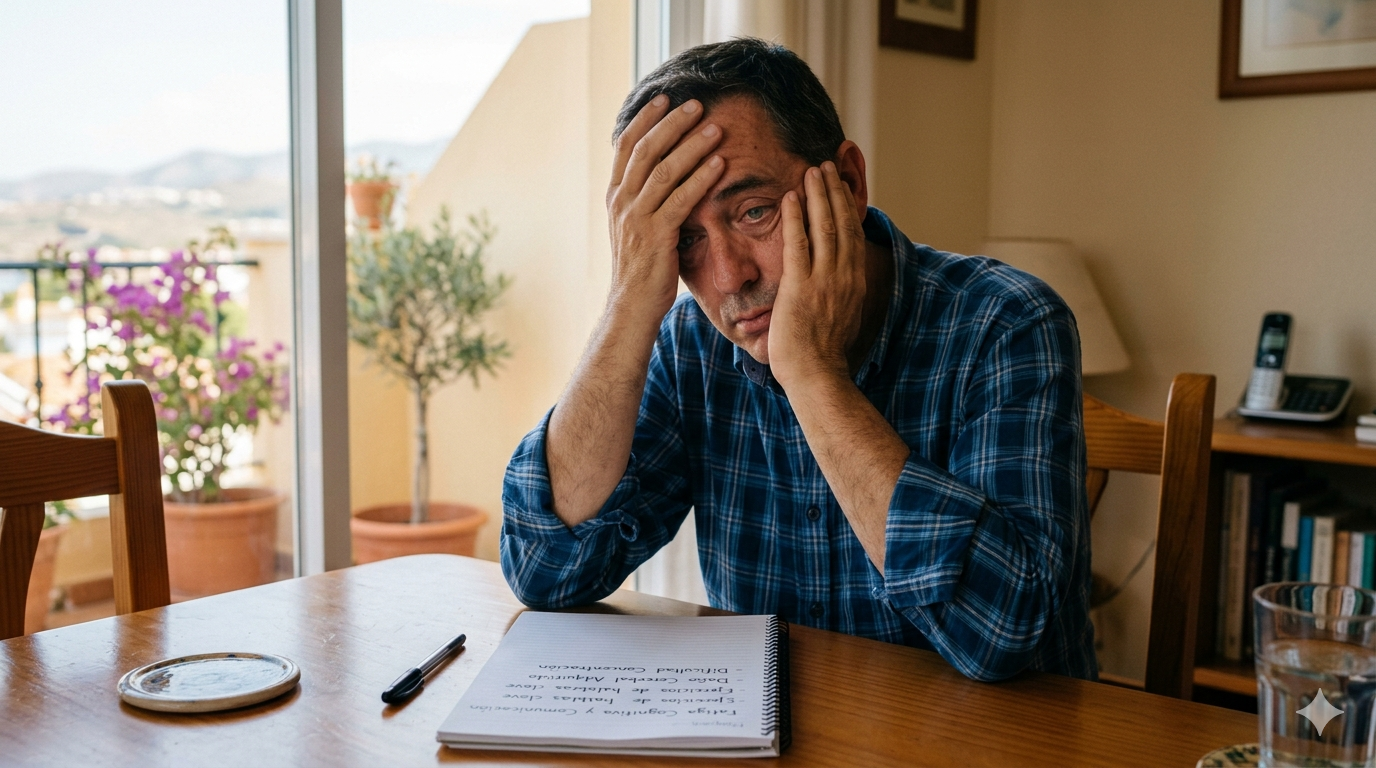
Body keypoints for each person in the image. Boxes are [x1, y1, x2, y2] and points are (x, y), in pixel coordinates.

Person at [500, 38, 1097, 682]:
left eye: (755, 213)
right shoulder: (691, 344)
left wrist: (813, 374)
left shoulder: (1008, 321)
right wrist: (628, 305)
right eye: (685, 239)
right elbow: (544, 569)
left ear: (848, 182)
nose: (728, 278)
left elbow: (1003, 633)